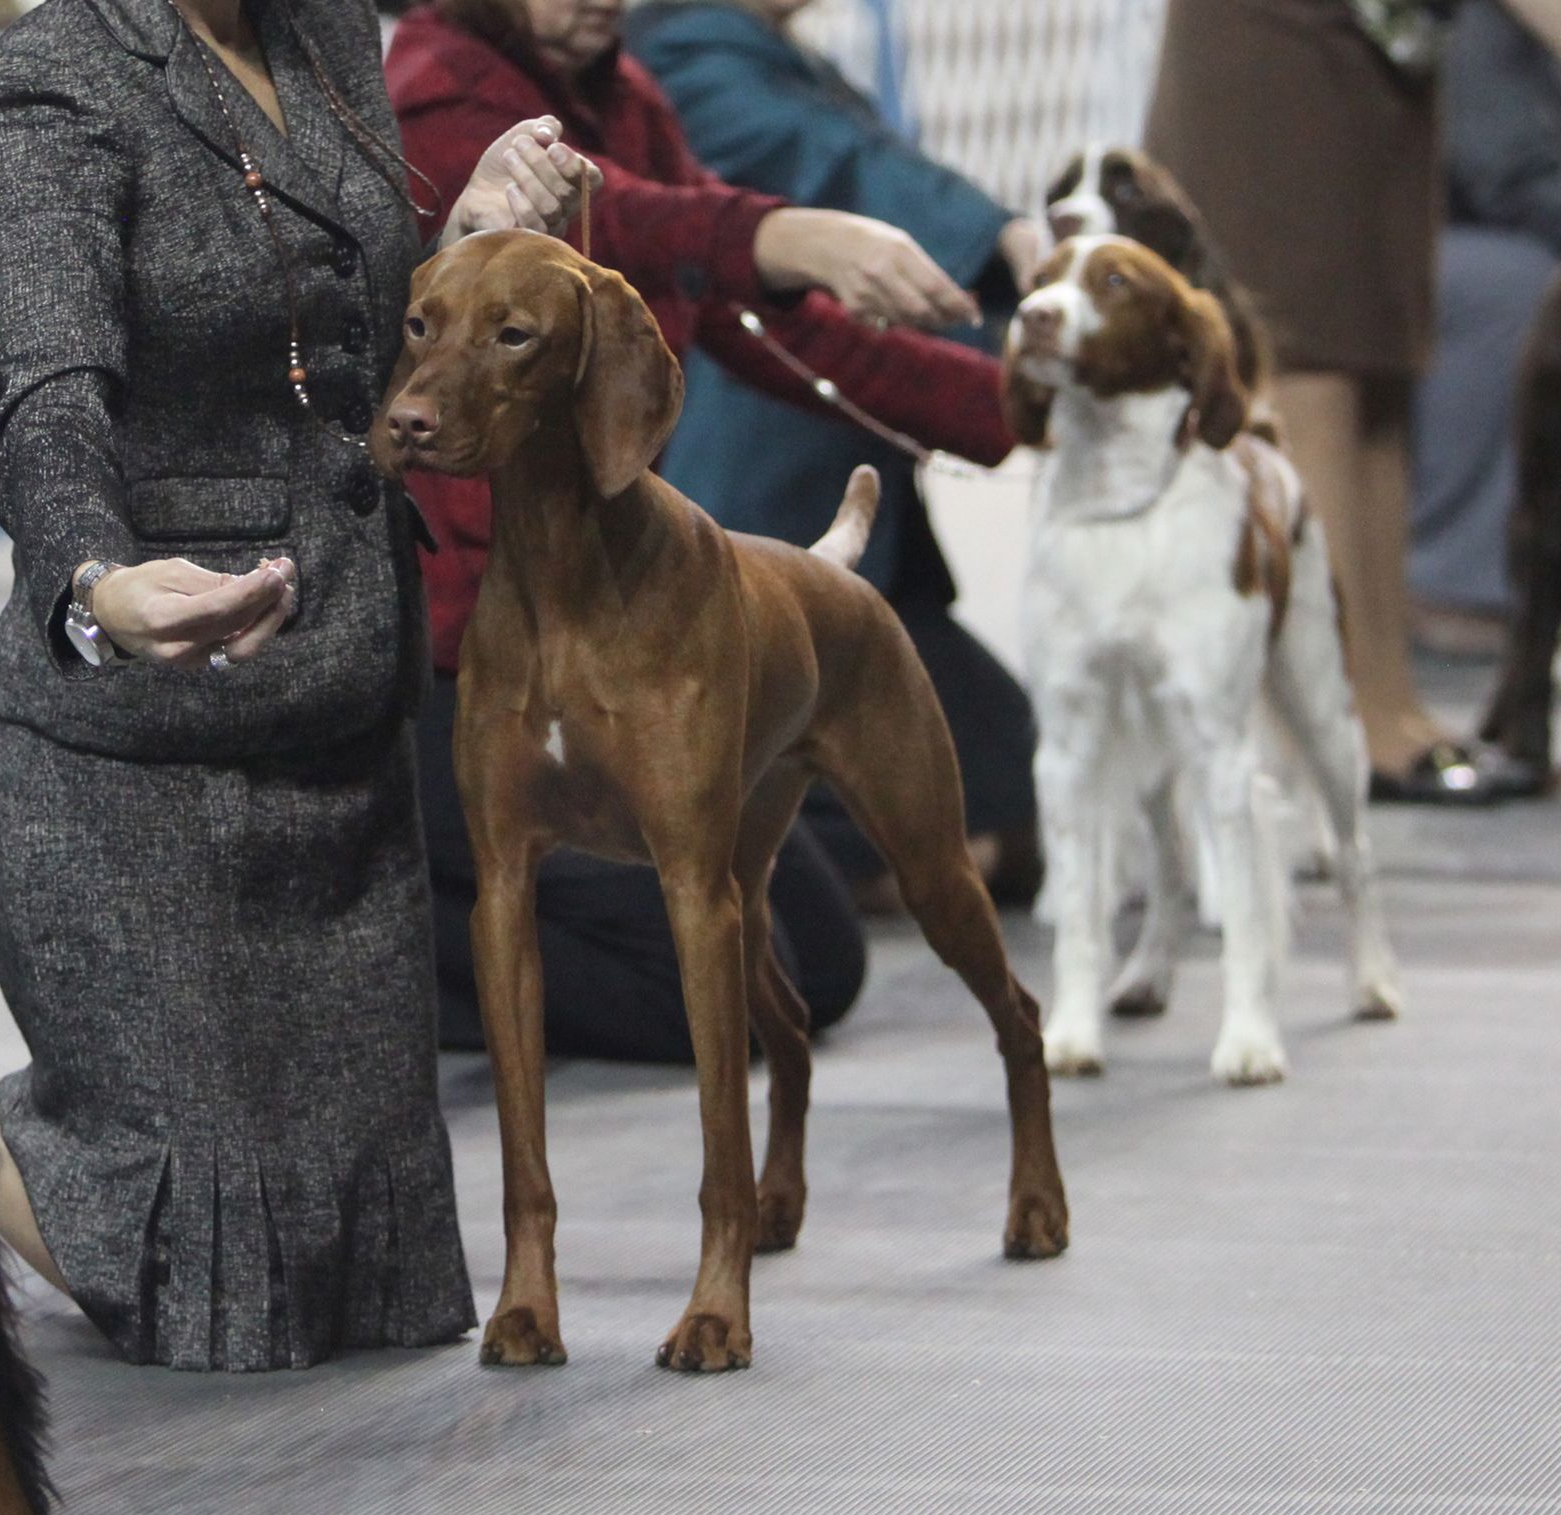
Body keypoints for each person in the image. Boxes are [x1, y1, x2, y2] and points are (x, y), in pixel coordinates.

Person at [0, 0, 600, 1372]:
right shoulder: (45, 85)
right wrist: (96, 579)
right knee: (211, 1292)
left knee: (365, 1287)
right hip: (140, 753)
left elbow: (334, 351)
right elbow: (45, 390)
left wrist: (461, 240)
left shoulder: (328, 33)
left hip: (340, 709)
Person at [384, 0, 1018, 1061]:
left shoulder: (625, 94)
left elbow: (757, 321)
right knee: (736, 979)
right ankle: (378, 967)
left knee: (808, 952)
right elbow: (623, 228)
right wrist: (781, 232)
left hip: (609, 634)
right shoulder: (440, 87)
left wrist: (1022, 409)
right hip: (459, 661)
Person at [623, 0, 1048, 905]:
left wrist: (1026, 385)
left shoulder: (769, 55)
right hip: (754, 514)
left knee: (1005, 772)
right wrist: (998, 236)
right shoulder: (682, 52)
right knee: (934, 825)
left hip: (837, 513)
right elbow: (836, 162)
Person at [1146, 0, 1503, 804]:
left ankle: (1390, 699)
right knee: (1309, 364)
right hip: (1277, 36)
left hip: (1385, 39)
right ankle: (1339, 720)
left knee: (1381, 362)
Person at [1410, 0, 1561, 676]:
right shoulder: (1492, 25)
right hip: (1456, 239)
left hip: (1516, 222)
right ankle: (1452, 580)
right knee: (1521, 291)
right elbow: (1498, 169)